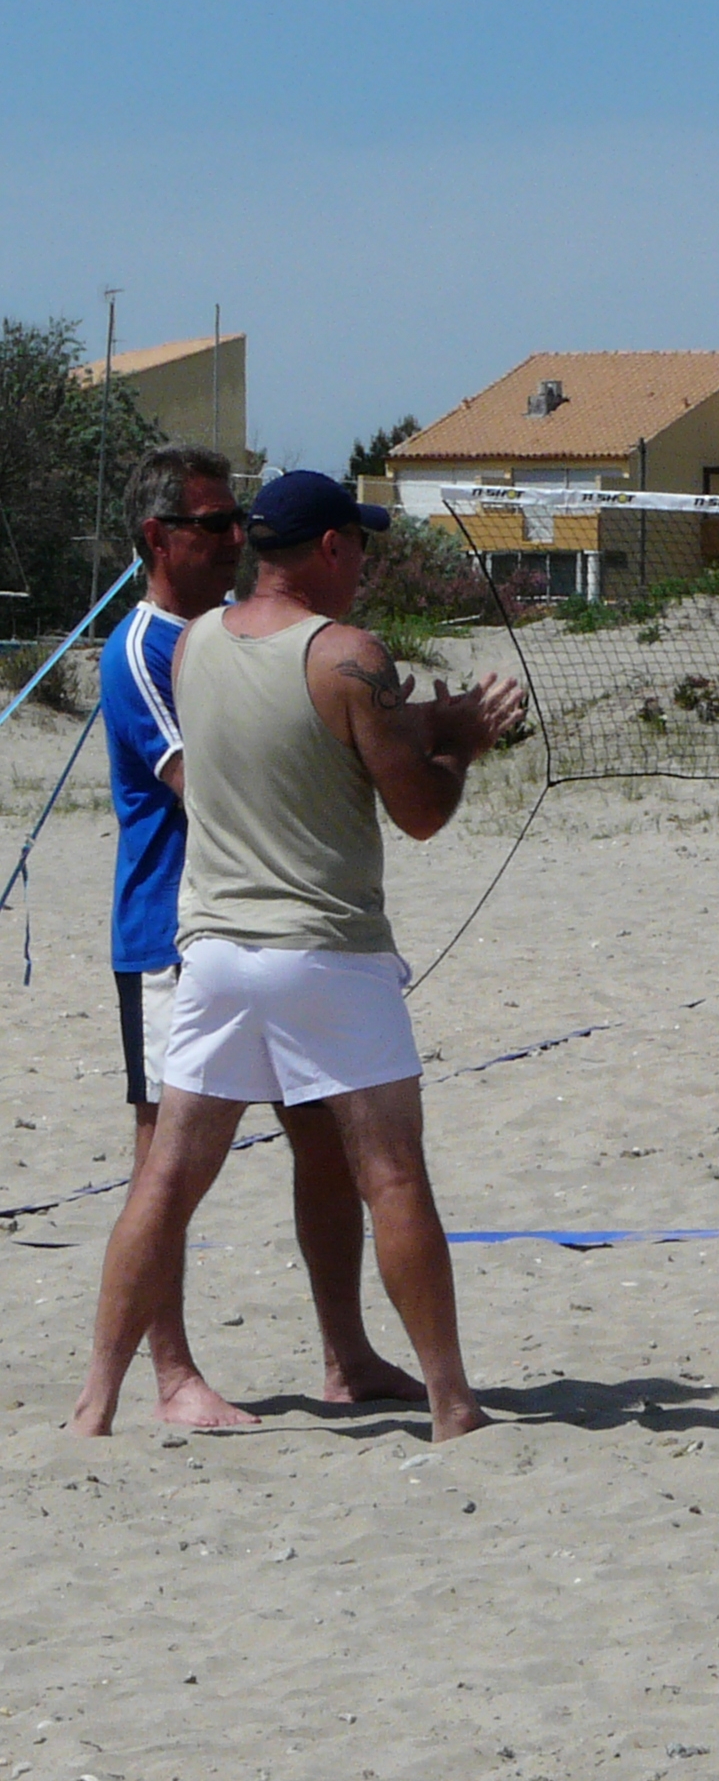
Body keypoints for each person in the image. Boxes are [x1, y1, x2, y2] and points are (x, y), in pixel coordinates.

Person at [70, 471, 525, 1442]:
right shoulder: (348, 656)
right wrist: (459, 747)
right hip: (324, 950)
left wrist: (417, 730)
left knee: (165, 1181)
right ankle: (452, 1403)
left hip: (218, 954)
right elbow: (419, 811)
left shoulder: (193, 644)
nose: (362, 558)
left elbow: (292, 749)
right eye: (355, 543)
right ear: (326, 549)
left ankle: (96, 1402)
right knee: (392, 1173)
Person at [96, 447, 424, 1428]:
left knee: (323, 1145)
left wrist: (409, 731)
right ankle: (167, 1376)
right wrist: (409, 742)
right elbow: (217, 790)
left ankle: (347, 1354)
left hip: (260, 932)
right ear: (158, 540)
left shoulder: (233, 637)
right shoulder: (148, 650)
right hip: (172, 936)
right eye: (212, 525)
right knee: (167, 1167)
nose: (237, 539)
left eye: (241, 521)